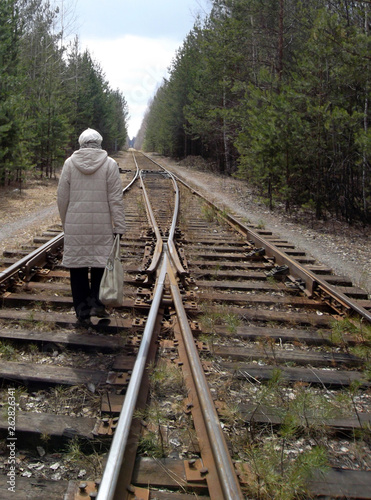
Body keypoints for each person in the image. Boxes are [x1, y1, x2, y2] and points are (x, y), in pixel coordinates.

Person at [57, 128, 125, 326]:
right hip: (102, 227)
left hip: (75, 226)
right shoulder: (110, 164)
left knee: (77, 269)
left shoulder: (69, 163)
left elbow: (62, 198)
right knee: (99, 264)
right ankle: (97, 304)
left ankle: (82, 313)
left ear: (81, 143)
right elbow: (116, 199)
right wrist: (119, 226)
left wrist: (66, 222)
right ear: (100, 143)